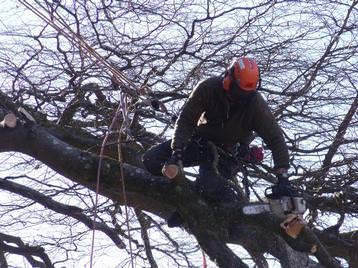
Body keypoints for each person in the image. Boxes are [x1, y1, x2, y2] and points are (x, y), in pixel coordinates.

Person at [142, 57, 293, 227]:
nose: (241, 97)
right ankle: (187, 198)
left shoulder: (255, 103)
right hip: (198, 142)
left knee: (209, 186)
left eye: (246, 93)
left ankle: (215, 199)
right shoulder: (208, 88)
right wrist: (177, 152)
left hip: (227, 155)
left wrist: (282, 177)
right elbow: (186, 121)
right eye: (239, 91)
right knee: (152, 160)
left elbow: (276, 139)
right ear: (229, 78)